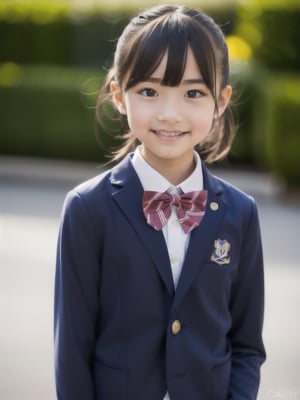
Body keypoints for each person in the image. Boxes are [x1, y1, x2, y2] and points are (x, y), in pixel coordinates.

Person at [54, 4, 266, 400]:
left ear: (221, 100)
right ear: (119, 94)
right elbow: (72, 351)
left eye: (193, 93)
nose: (170, 114)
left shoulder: (241, 213)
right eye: (149, 91)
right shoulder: (87, 209)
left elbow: (246, 345)